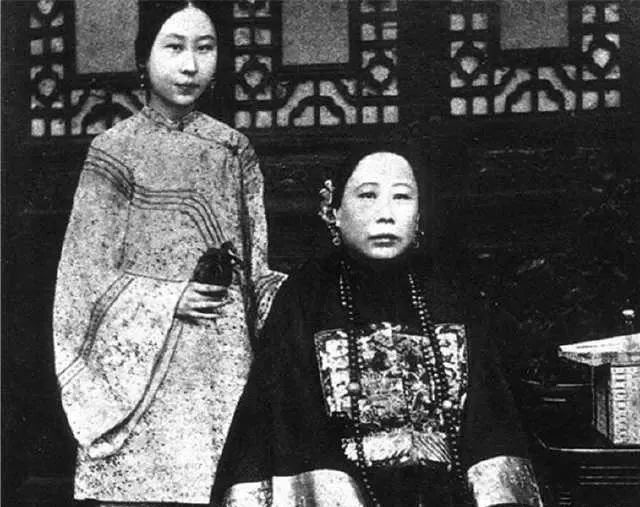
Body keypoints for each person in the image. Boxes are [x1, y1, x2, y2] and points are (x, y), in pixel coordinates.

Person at [211, 148, 544, 507]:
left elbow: (490, 420)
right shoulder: (304, 296)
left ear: (420, 214)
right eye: (367, 195)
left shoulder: (454, 290)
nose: (385, 214)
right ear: (334, 211)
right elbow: (293, 426)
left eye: (402, 197)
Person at [53, 1, 284, 505]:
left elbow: (256, 267)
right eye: (174, 47)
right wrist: (168, 298)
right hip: (143, 369)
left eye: (205, 48)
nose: (190, 65)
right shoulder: (113, 151)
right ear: (144, 57)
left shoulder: (233, 150)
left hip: (220, 362)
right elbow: (83, 279)